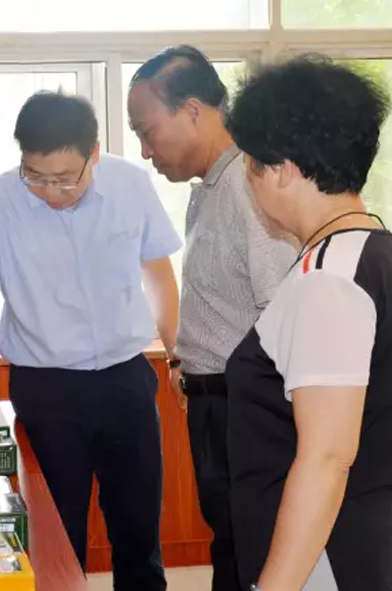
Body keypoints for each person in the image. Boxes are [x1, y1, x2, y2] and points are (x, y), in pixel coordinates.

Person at [0, 90, 181, 591]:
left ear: (94, 154)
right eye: (36, 176)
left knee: (138, 533)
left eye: (66, 178)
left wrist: (178, 356)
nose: (51, 191)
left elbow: (159, 275)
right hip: (46, 392)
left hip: (127, 383)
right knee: (56, 538)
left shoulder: (132, 186)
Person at [223, 57, 392, 591]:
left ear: (283, 169)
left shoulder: (329, 278)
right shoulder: (377, 250)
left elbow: (327, 458)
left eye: (251, 165)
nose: (250, 181)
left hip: (321, 560)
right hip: (360, 541)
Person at [127, 46, 297, 591]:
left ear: (193, 110)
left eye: (148, 131)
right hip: (216, 403)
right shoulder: (211, 188)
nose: (145, 150)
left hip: (247, 407)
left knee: (250, 551)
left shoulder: (251, 186)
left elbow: (282, 315)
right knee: (230, 542)